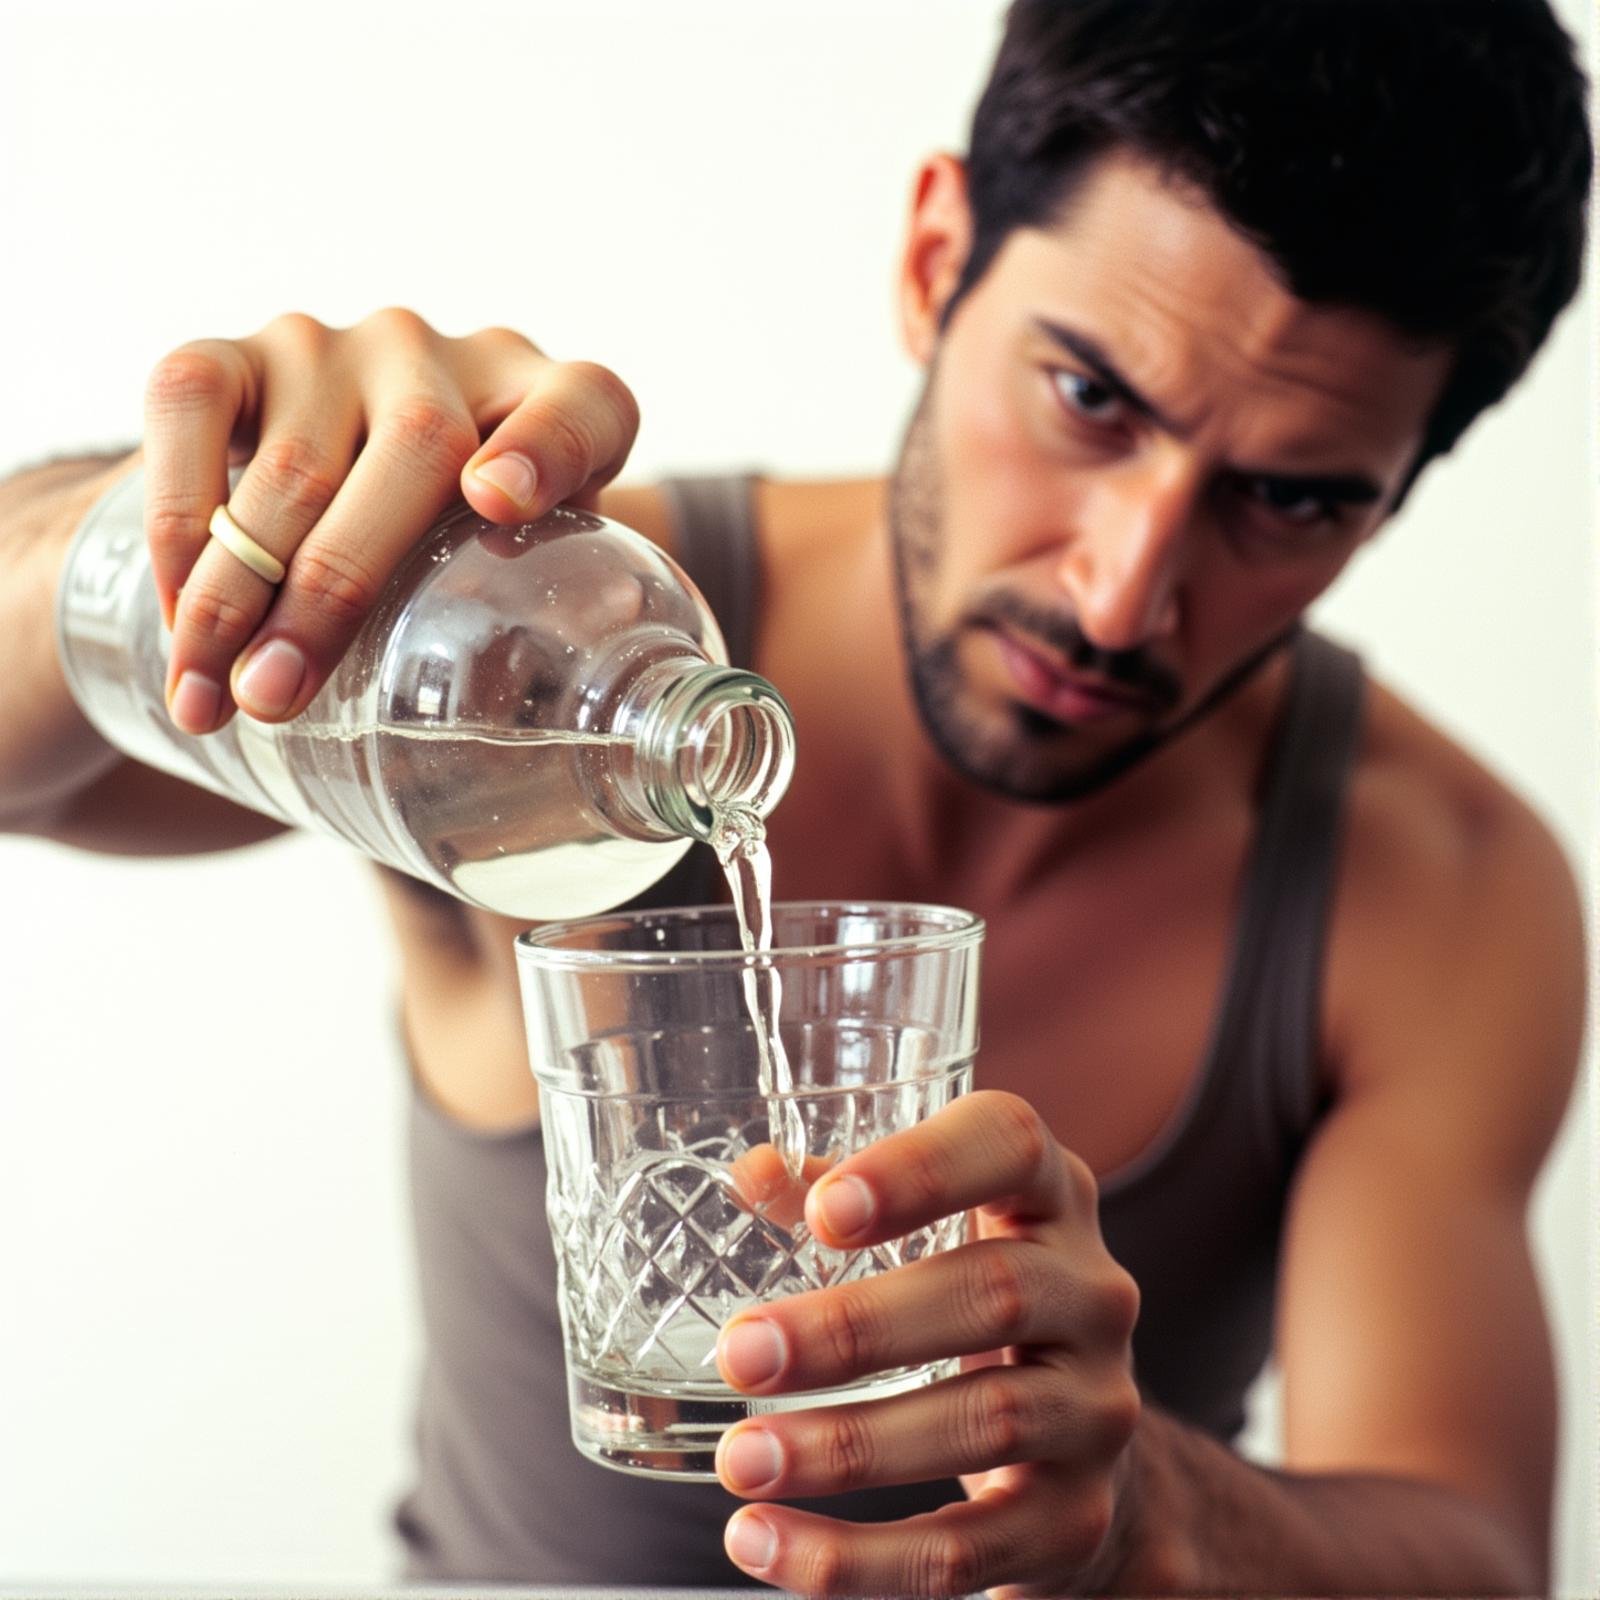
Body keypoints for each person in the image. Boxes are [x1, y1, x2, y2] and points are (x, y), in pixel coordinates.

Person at [0, 0, 1590, 1592]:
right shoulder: (517, 659)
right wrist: (162, 520)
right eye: (1091, 400)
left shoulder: (1435, 881)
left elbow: (1473, 1556)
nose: (1123, 593)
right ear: (933, 260)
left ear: (1394, 497)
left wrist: (1155, 1511)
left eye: (1292, 499)